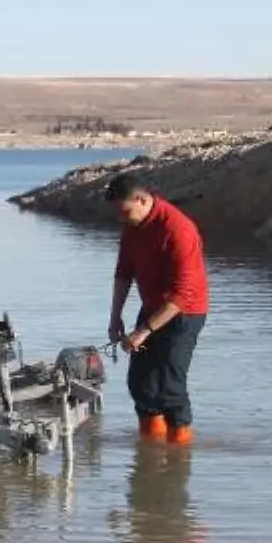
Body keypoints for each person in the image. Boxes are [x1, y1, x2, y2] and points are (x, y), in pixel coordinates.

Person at [104, 173, 209, 445]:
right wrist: (116, 317)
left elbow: (183, 293)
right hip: (152, 307)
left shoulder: (178, 229)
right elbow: (124, 272)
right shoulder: (132, 226)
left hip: (185, 313)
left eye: (123, 211)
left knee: (169, 386)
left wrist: (143, 331)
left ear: (141, 200)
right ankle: (149, 452)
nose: (120, 218)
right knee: (140, 384)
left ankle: (179, 451)